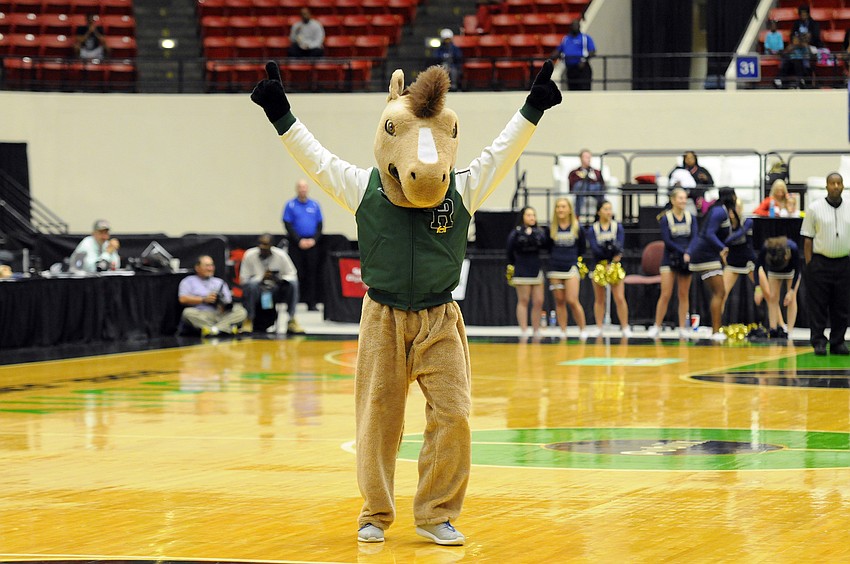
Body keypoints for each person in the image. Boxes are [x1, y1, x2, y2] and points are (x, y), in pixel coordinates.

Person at [251, 60, 561, 545]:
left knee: (454, 413)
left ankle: (436, 513)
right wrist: (281, 114)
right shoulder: (363, 187)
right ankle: (375, 511)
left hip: (441, 317)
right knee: (378, 420)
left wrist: (533, 107)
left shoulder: (460, 187)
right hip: (383, 318)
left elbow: (502, 153)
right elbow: (316, 159)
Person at [800, 172, 850, 356]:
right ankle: (819, 341)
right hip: (820, 263)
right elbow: (807, 239)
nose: (836, 186)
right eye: (832, 183)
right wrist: (810, 264)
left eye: (839, 183)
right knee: (818, 306)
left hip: (844, 263)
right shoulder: (814, 208)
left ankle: (838, 342)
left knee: (842, 306)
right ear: (826, 186)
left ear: (843, 186)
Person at [686, 187, 736, 341]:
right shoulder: (720, 211)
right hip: (705, 255)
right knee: (720, 292)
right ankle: (715, 331)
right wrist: (723, 249)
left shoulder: (719, 210)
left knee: (719, 293)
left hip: (708, 255)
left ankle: (716, 329)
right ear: (731, 197)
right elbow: (708, 233)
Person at [648, 188, 697, 339]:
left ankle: (683, 327)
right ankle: (657, 326)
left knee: (683, 294)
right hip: (670, 258)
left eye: (685, 198)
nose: (683, 201)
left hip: (686, 259)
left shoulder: (691, 217)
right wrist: (682, 252)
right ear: (673, 200)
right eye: (680, 198)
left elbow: (695, 237)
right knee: (666, 294)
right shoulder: (665, 218)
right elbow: (667, 240)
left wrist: (689, 252)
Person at [238, 233, 305, 335]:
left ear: (272, 245)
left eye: (265, 244)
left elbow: (292, 275)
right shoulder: (250, 255)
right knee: (251, 285)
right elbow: (244, 279)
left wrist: (278, 278)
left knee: (293, 284)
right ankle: (249, 319)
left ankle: (291, 319)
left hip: (276, 288)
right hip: (257, 289)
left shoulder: (281, 255)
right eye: (260, 244)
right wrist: (261, 278)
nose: (262, 247)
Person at [585, 200, 630, 337]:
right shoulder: (593, 229)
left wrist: (613, 258)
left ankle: (625, 326)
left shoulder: (618, 227)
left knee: (619, 297)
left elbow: (620, 246)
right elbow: (594, 248)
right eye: (605, 209)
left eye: (610, 209)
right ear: (599, 211)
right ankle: (599, 326)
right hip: (599, 266)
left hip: (614, 266)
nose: (608, 212)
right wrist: (604, 260)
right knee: (599, 298)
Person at [547, 197, 589, 340]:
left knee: (572, 300)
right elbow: (548, 247)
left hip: (570, 266)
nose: (560, 209)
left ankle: (582, 329)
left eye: (563, 206)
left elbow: (582, 248)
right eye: (558, 206)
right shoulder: (551, 228)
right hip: (555, 268)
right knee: (559, 300)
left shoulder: (578, 227)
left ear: (569, 209)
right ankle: (563, 330)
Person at [178, 255, 247, 337]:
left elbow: (228, 302)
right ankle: (226, 329)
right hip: (203, 314)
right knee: (187, 313)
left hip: (221, 314)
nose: (210, 268)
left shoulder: (219, 282)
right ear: (197, 268)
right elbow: (182, 299)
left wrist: (222, 302)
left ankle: (214, 330)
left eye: (212, 265)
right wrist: (203, 299)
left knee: (241, 311)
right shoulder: (188, 281)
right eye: (207, 266)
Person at [506, 206, 548, 339]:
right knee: (523, 300)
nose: (532, 218)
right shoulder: (516, 233)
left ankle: (536, 330)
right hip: (522, 269)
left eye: (533, 215)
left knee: (538, 301)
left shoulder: (540, 232)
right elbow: (509, 250)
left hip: (535, 268)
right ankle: (524, 330)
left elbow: (546, 245)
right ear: (523, 217)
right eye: (529, 215)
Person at [283, 179, 324, 311]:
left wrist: (313, 240)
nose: (302, 189)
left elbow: (319, 225)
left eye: (304, 187)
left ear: (308, 189)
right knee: (296, 273)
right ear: (297, 189)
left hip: (312, 244)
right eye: (300, 187)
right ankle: (294, 302)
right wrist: (298, 240)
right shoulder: (290, 205)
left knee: (312, 274)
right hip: (296, 245)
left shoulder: (315, 205)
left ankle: (311, 303)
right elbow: (287, 225)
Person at [753, 236, 802, 340]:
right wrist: (757, 288)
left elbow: (797, 271)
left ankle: (789, 330)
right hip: (774, 272)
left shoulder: (793, 248)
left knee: (792, 299)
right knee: (773, 298)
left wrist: (792, 291)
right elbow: (757, 267)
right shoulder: (766, 248)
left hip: (791, 272)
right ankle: (773, 328)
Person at [722, 201, 760, 325]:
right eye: (731, 209)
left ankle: (779, 324)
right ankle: (716, 325)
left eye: (736, 208)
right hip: (733, 262)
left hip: (749, 262)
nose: (733, 212)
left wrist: (724, 243)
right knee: (722, 294)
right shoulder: (726, 224)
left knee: (769, 293)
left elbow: (739, 234)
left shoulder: (748, 221)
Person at [552, 19, 596, 91]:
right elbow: (558, 50)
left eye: (577, 25)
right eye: (573, 25)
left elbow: (592, 51)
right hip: (570, 69)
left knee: (584, 90)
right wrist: (550, 58)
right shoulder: (566, 39)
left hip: (582, 68)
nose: (575, 27)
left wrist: (584, 60)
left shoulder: (585, 38)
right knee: (572, 89)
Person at [569, 149, 605, 223]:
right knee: (581, 186)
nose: (588, 159)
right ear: (581, 158)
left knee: (599, 187)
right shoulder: (575, 172)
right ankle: (577, 216)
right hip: (581, 189)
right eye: (585, 157)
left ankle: (599, 215)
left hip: (594, 190)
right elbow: (572, 184)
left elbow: (602, 183)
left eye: (589, 157)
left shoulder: (596, 172)